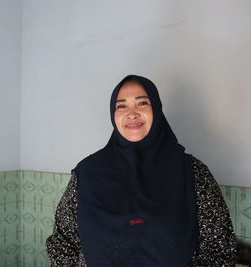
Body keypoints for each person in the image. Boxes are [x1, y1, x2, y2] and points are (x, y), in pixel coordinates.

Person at [45, 75, 237, 266]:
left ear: (156, 108)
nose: (132, 113)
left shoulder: (192, 173)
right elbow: (63, 243)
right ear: (113, 114)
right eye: (121, 106)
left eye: (142, 103)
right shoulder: (87, 174)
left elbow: (219, 248)